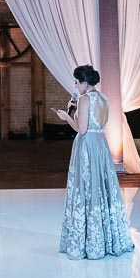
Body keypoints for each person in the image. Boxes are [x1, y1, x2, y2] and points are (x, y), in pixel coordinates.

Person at [54, 65, 134, 260]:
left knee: (86, 188)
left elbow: (81, 129)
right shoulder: (104, 98)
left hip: (87, 146)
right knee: (102, 188)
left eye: (76, 82)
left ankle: (87, 240)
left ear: (84, 83)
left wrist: (66, 117)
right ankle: (107, 238)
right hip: (100, 145)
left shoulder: (85, 99)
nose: (75, 85)